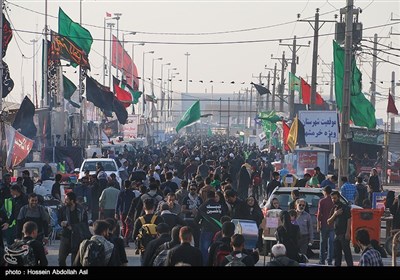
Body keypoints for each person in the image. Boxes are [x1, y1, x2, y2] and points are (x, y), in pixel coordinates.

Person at [57, 192, 90, 266]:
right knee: (61, 259)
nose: (65, 201)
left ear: (72, 201)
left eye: (67, 200)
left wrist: (73, 227)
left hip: (77, 237)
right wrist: (61, 223)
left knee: (75, 262)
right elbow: (59, 220)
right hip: (65, 236)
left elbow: (85, 224)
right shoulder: (62, 209)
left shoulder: (81, 210)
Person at [327, 190, 353, 266]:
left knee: (347, 253)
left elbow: (349, 219)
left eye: (335, 198)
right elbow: (328, 221)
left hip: (344, 233)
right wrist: (335, 214)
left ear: (338, 198)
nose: (333, 200)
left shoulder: (345, 207)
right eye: (332, 198)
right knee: (337, 255)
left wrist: (348, 232)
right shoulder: (334, 209)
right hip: (336, 234)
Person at [316, 186, 335, 265]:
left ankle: (322, 260)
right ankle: (329, 260)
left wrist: (318, 224)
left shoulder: (322, 201)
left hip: (324, 224)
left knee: (322, 243)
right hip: (332, 224)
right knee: (331, 243)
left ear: (325, 192)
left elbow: (319, 214)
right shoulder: (334, 201)